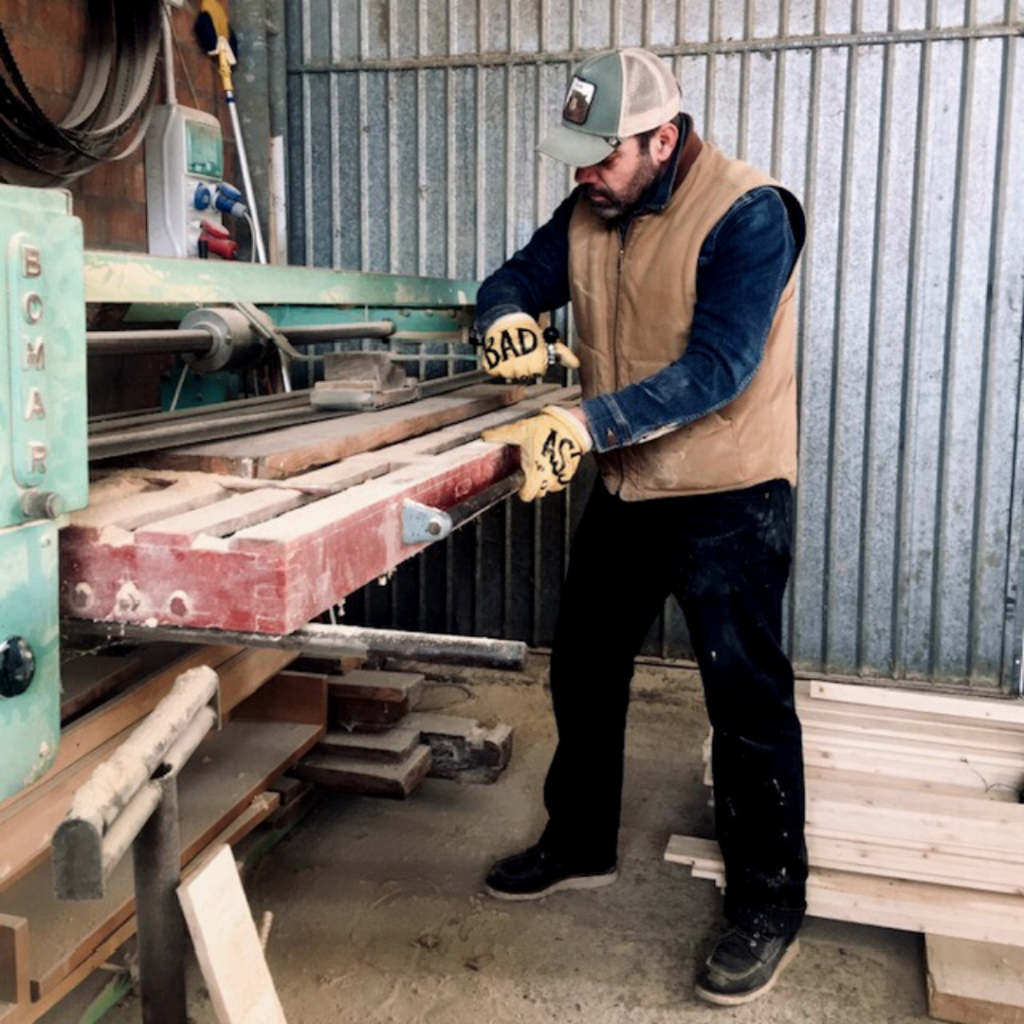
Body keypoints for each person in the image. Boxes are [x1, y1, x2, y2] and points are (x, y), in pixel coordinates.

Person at [473, 47, 808, 1006]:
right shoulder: (592, 206)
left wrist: (584, 423)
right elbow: (518, 275)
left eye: (603, 155)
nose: (585, 174)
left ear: (663, 139)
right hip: (627, 485)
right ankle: (580, 842)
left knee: (745, 702)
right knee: (584, 666)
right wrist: (504, 317)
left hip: (727, 493)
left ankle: (768, 903)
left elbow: (719, 368)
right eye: (577, 157)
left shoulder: (750, 212)